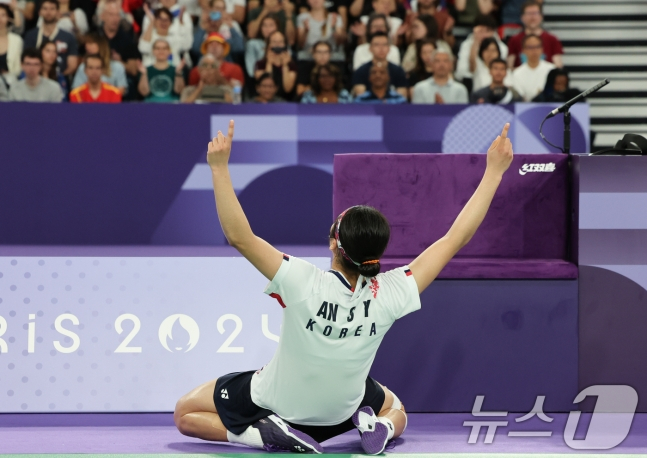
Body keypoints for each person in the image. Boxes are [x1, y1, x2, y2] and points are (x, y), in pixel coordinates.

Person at [173, 119, 514, 456]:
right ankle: (380, 428)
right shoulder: (393, 291)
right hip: (341, 412)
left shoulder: (301, 279)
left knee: (186, 413)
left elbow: (239, 238)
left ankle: (261, 436)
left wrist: (218, 167)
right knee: (396, 409)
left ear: (335, 244)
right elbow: (456, 238)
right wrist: (494, 172)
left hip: (280, 405)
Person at [24, 0, 79, 77]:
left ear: (58, 12)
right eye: (45, 9)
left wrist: (58, 79)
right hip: (35, 79)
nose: (48, 12)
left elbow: (72, 66)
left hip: (60, 79)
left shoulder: (68, 37)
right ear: (39, 12)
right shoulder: (31, 35)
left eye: (52, 9)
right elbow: (25, 61)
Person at [507, 0, 563, 69]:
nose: (532, 17)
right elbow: (510, 67)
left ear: (541, 16)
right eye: (529, 13)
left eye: (535, 13)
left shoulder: (552, 39)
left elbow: (558, 67)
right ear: (522, 17)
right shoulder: (514, 40)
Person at [351, 31, 407, 98]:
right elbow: (361, 98)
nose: (381, 48)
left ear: (389, 48)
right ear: (370, 48)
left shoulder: (398, 71)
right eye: (377, 45)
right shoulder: (361, 71)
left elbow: (402, 98)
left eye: (385, 44)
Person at [454, 14, 507, 83]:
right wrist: (475, 43)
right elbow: (461, 72)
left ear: (493, 32)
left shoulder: (502, 48)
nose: (484, 35)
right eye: (481, 31)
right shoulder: (466, 45)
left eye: (487, 31)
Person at [296, 0, 345, 72]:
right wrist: (306, 32)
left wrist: (334, 29)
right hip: (309, 56)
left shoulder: (335, 17)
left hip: (331, 57)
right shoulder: (302, 18)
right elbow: (300, 44)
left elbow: (340, 42)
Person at [192, 0, 244, 64]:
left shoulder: (231, 26)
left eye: (222, 9)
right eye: (217, 8)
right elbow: (195, 50)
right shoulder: (203, 25)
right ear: (210, 9)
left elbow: (239, 49)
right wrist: (203, 27)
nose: (219, 12)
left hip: (226, 64)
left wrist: (230, 27)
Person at [254, 30, 297, 100]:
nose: (277, 45)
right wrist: (269, 63)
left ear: (285, 45)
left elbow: (288, 89)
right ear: (268, 45)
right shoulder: (260, 64)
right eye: (274, 42)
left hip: (287, 101)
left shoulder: (291, 65)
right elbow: (266, 88)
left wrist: (285, 65)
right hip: (265, 101)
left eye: (280, 42)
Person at [137, 38, 185, 102]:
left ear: (169, 51)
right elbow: (144, 93)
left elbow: (179, 91)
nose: (161, 51)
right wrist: (144, 74)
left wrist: (178, 73)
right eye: (157, 48)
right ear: (153, 51)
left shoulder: (176, 70)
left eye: (164, 48)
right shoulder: (145, 70)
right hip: (150, 105)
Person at [511, 34, 555, 102]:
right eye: (530, 47)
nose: (534, 50)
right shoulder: (517, 73)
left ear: (542, 48)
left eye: (537, 46)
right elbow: (520, 98)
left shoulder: (552, 69)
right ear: (523, 50)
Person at [0, 3, 23, 81]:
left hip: (11, 82)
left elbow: (19, 67)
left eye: (3, 15)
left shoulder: (16, 40)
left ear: (8, 18)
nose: (0, 19)